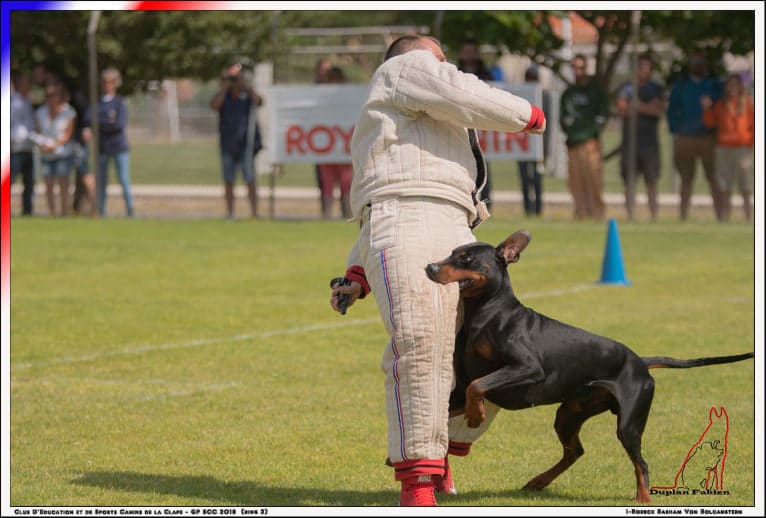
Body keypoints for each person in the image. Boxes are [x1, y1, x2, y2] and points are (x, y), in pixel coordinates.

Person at [328, 35, 546, 506]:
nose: (444, 63)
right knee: (421, 342)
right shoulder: (406, 68)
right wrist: (527, 115)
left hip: (455, 224)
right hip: (408, 219)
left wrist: (357, 271)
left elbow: (384, 207)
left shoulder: (411, 109)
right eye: (437, 55)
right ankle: (418, 483)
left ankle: (440, 446)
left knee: (493, 350)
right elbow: (391, 207)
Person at [666, 52, 724, 220]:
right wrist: (675, 129)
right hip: (686, 137)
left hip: (708, 137)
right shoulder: (682, 86)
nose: (698, 65)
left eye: (701, 62)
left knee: (714, 177)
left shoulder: (714, 85)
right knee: (686, 178)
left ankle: (720, 215)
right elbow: (672, 109)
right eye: (695, 62)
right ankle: (683, 214)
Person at [615, 53, 666, 221]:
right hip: (630, 143)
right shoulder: (626, 88)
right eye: (640, 67)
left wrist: (637, 106)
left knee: (651, 181)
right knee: (629, 182)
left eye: (647, 67)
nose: (643, 71)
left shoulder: (656, 89)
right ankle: (630, 215)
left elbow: (658, 111)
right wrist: (644, 107)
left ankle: (654, 215)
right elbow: (622, 110)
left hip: (649, 144)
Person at [559, 53, 610, 221]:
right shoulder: (568, 93)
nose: (578, 71)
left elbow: (602, 116)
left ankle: (596, 213)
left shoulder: (596, 91)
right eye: (575, 67)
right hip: (572, 143)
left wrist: (588, 131)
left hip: (590, 143)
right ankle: (581, 212)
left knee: (593, 180)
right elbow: (563, 119)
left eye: (581, 67)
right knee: (575, 182)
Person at [210, 63, 263, 219]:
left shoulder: (247, 95)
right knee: (228, 180)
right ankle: (230, 213)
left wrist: (245, 86)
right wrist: (225, 88)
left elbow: (259, 101)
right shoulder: (223, 96)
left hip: (245, 144)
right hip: (227, 144)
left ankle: (254, 213)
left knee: (250, 178)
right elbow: (214, 105)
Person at [701, 73, 754, 222]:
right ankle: (725, 216)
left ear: (741, 87)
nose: (733, 88)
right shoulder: (720, 105)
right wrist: (706, 109)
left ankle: (748, 216)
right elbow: (710, 123)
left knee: (745, 184)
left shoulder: (748, 104)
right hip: (724, 148)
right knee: (724, 184)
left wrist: (750, 143)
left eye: (736, 85)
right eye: (730, 85)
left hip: (743, 148)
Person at [86, 67, 134, 217]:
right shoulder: (97, 102)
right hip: (102, 147)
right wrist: (107, 120)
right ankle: (101, 211)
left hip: (119, 147)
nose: (108, 85)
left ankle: (130, 210)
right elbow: (89, 118)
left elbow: (119, 124)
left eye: (111, 82)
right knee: (101, 182)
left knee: (124, 180)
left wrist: (100, 122)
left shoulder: (119, 103)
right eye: (105, 82)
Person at [457, 39, 495, 206]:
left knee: (484, 169)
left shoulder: (486, 75)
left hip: (483, 130)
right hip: (462, 128)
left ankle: (486, 203)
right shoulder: (456, 73)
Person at [35, 80, 76, 217]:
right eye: (48, 95)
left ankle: (64, 212)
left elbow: (68, 134)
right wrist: (43, 145)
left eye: (54, 95)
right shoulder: (40, 112)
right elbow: (38, 132)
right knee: (49, 184)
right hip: (46, 153)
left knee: (63, 183)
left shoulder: (68, 111)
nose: (51, 98)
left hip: (62, 153)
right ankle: (51, 212)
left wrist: (55, 145)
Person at [317, 67, 353, 219]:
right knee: (327, 185)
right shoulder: (321, 98)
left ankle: (348, 214)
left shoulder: (350, 98)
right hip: (327, 148)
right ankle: (327, 215)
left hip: (344, 147)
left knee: (347, 184)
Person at [517, 65, 550, 217]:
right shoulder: (520, 97)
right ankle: (527, 209)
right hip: (523, 145)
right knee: (524, 179)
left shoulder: (544, 97)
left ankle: (538, 209)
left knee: (537, 179)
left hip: (538, 147)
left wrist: (546, 148)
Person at [10, 71, 37, 216]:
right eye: (26, 82)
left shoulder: (27, 101)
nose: (29, 85)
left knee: (29, 182)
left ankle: (27, 211)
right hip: (15, 148)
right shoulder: (12, 102)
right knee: (10, 180)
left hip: (28, 147)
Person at [70, 83, 96, 216]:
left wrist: (86, 127)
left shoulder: (77, 99)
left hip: (77, 142)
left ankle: (94, 208)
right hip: (70, 143)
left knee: (85, 173)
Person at [314, 58, 333, 216]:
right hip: (321, 141)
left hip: (338, 141)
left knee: (346, 181)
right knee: (324, 181)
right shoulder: (313, 91)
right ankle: (326, 213)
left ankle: (346, 212)